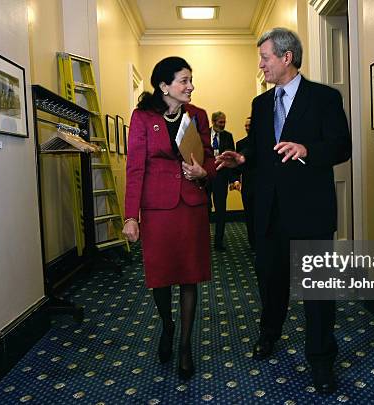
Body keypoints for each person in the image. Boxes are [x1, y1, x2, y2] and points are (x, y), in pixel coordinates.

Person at [216, 28, 352, 394]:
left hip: (311, 209)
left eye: (265, 58)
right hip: (269, 211)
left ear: (286, 57)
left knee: (318, 291)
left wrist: (307, 150)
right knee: (270, 281)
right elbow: (261, 149)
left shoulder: (324, 97)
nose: (260, 65)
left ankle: (322, 359)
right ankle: (269, 334)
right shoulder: (261, 104)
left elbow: (341, 146)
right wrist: (241, 156)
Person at [122, 56, 216, 380]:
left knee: (190, 276)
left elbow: (211, 160)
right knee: (160, 277)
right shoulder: (143, 117)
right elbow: (134, 167)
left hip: (191, 206)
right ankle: (167, 324)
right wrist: (130, 217)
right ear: (164, 86)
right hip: (157, 208)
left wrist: (205, 172)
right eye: (184, 80)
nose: (191, 86)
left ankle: (186, 345)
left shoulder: (198, 116)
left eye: (191, 80)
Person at [206, 111, 235, 251]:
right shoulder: (203, 135)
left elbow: (231, 159)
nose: (223, 125)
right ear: (213, 121)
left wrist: (232, 180)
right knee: (204, 210)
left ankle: (219, 242)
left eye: (224, 122)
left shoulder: (228, 137)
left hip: (221, 178)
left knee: (221, 211)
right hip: (205, 178)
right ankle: (203, 241)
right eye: (220, 122)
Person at [235, 117, 256, 250]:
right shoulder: (240, 143)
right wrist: (236, 180)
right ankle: (252, 241)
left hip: (262, 185)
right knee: (249, 214)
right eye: (246, 125)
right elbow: (237, 167)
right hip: (247, 184)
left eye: (250, 125)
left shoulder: (264, 142)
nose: (247, 127)